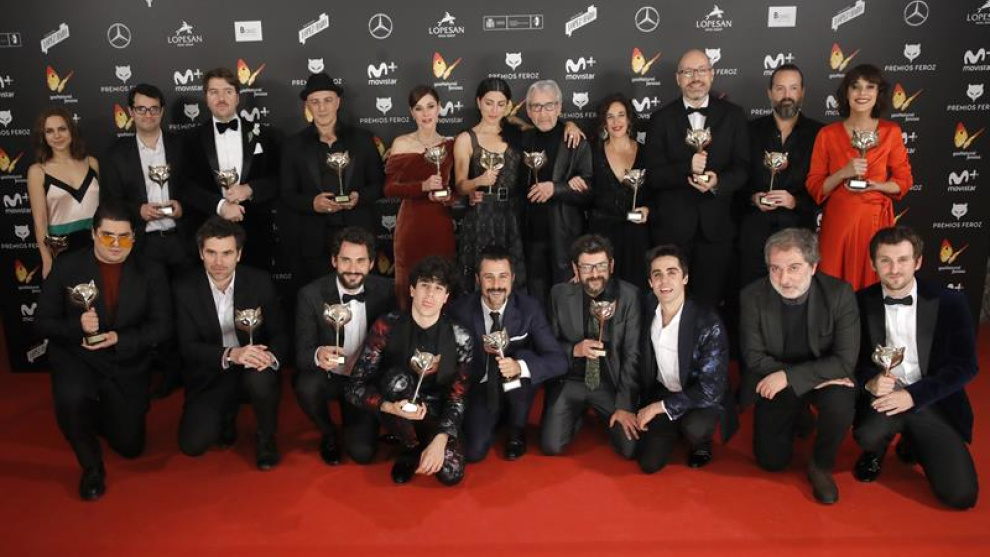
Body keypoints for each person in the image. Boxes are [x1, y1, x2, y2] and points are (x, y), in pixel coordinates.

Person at [35, 201, 170, 500]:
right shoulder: (67, 266)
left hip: (125, 360)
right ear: (94, 234)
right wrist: (77, 327)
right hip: (78, 357)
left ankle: (104, 411)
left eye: (124, 237)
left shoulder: (150, 270)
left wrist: (120, 338)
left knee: (130, 447)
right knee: (71, 401)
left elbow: (162, 327)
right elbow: (42, 322)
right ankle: (91, 466)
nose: (116, 245)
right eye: (108, 236)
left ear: (134, 236)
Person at [852, 226, 978, 510]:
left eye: (903, 260)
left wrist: (913, 396)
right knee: (868, 434)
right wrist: (870, 382)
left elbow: (965, 365)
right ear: (872, 263)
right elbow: (851, 360)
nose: (894, 269)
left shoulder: (950, 302)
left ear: (918, 262)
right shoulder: (858, 302)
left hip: (929, 398)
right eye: (885, 260)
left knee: (961, 496)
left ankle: (912, 440)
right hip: (883, 396)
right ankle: (875, 450)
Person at [739, 228, 859, 505]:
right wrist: (789, 377)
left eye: (794, 267)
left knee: (840, 403)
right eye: (775, 269)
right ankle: (801, 414)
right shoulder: (752, 296)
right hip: (776, 375)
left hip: (825, 377)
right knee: (771, 461)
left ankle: (821, 465)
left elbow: (844, 361)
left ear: (813, 266)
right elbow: (754, 357)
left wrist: (792, 376)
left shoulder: (839, 294)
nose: (784, 279)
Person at [346, 256, 473, 486]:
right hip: (394, 407)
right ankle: (409, 446)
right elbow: (355, 387)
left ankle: (426, 441)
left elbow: (458, 397)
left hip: (435, 412)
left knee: (451, 473)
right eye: (424, 285)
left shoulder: (460, 337)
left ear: (446, 297)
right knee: (398, 380)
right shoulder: (387, 325)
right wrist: (389, 407)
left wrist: (441, 438)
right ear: (412, 290)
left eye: (438, 288)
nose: (430, 294)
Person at [173, 217, 288, 470]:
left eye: (226, 253)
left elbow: (280, 333)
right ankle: (226, 415)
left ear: (239, 254)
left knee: (261, 379)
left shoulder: (259, 281)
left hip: (253, 366)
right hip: (211, 371)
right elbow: (187, 346)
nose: (218, 262)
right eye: (211, 253)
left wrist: (269, 357)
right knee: (192, 445)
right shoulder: (184, 288)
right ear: (201, 253)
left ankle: (266, 437)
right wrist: (231, 354)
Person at [101, 83, 193, 398]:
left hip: (181, 240)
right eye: (141, 109)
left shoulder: (181, 146)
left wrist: (182, 206)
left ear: (162, 111)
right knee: (157, 310)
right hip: (145, 243)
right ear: (131, 112)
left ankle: (193, 366)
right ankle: (168, 370)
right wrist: (137, 210)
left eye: (153, 109)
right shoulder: (116, 154)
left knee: (189, 305)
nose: (148, 114)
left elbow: (196, 188)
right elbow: (110, 201)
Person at [643, 49, 749, 307]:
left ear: (712, 75)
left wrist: (718, 182)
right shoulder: (660, 119)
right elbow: (653, 175)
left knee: (711, 305)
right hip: (672, 230)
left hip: (718, 229)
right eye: (688, 72)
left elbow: (743, 169)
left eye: (701, 71)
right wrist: (686, 168)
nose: (695, 78)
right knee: (672, 305)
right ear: (678, 78)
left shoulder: (734, 115)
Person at [448, 245, 567, 462]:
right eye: (489, 277)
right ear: (478, 279)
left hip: (517, 386)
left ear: (512, 278)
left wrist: (520, 367)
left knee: (526, 360)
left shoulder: (529, 308)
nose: (496, 285)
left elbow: (558, 360)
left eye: (503, 277)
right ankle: (495, 417)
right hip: (481, 386)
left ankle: (517, 429)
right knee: (473, 453)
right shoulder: (459, 310)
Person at [806, 64, 913, 291]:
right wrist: (843, 173)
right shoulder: (827, 134)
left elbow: (904, 182)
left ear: (878, 93)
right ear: (846, 92)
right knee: (833, 289)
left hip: (874, 223)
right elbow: (815, 186)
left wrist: (876, 185)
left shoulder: (891, 132)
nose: (862, 93)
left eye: (870, 87)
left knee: (872, 290)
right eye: (855, 87)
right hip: (838, 223)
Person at [294, 227, 396, 466]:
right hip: (329, 377)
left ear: (371, 263)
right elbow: (301, 354)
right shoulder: (311, 295)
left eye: (360, 261)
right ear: (334, 261)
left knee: (362, 454)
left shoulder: (387, 290)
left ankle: (356, 424)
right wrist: (318, 354)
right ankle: (328, 432)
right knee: (306, 385)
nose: (353, 268)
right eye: (346, 260)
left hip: (363, 381)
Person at [636, 245, 736, 473]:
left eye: (672, 272)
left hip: (698, 395)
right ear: (650, 282)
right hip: (662, 390)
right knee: (648, 464)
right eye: (657, 274)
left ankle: (701, 443)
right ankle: (671, 426)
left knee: (695, 427)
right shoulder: (645, 308)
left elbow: (711, 389)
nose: (664, 281)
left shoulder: (708, 321)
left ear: (685, 278)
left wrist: (660, 408)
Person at [542, 234, 641, 460]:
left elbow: (633, 355)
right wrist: (574, 350)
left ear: (611, 265)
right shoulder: (558, 294)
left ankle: (595, 411)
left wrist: (625, 405)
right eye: (586, 267)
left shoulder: (630, 296)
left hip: (609, 383)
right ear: (575, 269)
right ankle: (576, 415)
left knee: (630, 448)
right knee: (551, 446)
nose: (595, 274)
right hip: (572, 380)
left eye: (601, 266)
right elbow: (548, 345)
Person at [281, 72, 384, 285]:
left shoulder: (363, 140)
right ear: (307, 105)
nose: (322, 108)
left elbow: (378, 185)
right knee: (316, 298)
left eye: (327, 100)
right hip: (313, 242)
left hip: (358, 239)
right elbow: (286, 193)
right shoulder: (292, 146)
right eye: (315, 102)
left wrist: (359, 197)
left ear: (338, 102)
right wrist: (313, 203)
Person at [183, 67, 279, 271]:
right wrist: (220, 206)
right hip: (208, 234)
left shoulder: (264, 135)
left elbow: (277, 179)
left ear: (237, 97)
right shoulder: (190, 140)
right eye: (214, 92)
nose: (221, 98)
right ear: (206, 98)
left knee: (255, 286)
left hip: (255, 233)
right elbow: (186, 187)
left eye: (227, 91)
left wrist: (250, 189)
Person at [737, 64, 822, 286]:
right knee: (751, 293)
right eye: (780, 88)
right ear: (769, 92)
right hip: (754, 233)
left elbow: (824, 187)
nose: (787, 95)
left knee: (795, 294)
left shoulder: (819, 134)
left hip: (798, 232)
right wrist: (753, 198)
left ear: (802, 92)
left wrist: (795, 202)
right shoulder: (749, 131)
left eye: (793, 88)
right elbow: (736, 179)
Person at [518, 80, 593, 304]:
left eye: (549, 106)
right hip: (530, 239)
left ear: (559, 107)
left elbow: (590, 191)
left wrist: (556, 189)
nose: (543, 113)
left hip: (565, 238)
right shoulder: (522, 139)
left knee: (567, 302)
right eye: (536, 107)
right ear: (528, 110)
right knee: (536, 303)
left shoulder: (575, 141)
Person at [384, 85, 456, 309]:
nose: (426, 114)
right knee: (410, 283)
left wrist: (447, 197)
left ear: (439, 108)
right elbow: (389, 189)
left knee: (440, 281)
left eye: (430, 106)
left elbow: (456, 190)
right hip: (411, 225)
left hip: (440, 223)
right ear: (411, 112)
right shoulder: (402, 143)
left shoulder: (451, 145)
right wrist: (422, 186)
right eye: (419, 108)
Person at [453, 78, 527, 292]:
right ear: (478, 102)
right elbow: (460, 185)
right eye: (489, 103)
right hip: (481, 215)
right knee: (480, 276)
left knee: (511, 277)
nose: (494, 110)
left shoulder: (518, 132)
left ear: (508, 105)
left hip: (512, 214)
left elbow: (548, 127)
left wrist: (570, 125)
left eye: (500, 104)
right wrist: (479, 181)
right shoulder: (466, 138)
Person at [27, 106, 100, 279]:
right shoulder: (37, 171)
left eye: (62, 129)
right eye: (49, 131)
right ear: (43, 137)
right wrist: (47, 259)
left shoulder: (92, 163)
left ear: (71, 131)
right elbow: (40, 221)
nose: (57, 136)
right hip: (61, 250)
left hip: (97, 245)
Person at [586, 94, 651, 286]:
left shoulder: (646, 151)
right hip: (602, 235)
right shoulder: (592, 152)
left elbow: (656, 191)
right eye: (610, 116)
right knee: (605, 288)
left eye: (621, 115)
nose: (616, 122)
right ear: (604, 122)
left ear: (629, 119)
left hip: (636, 235)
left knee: (636, 289)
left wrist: (648, 210)